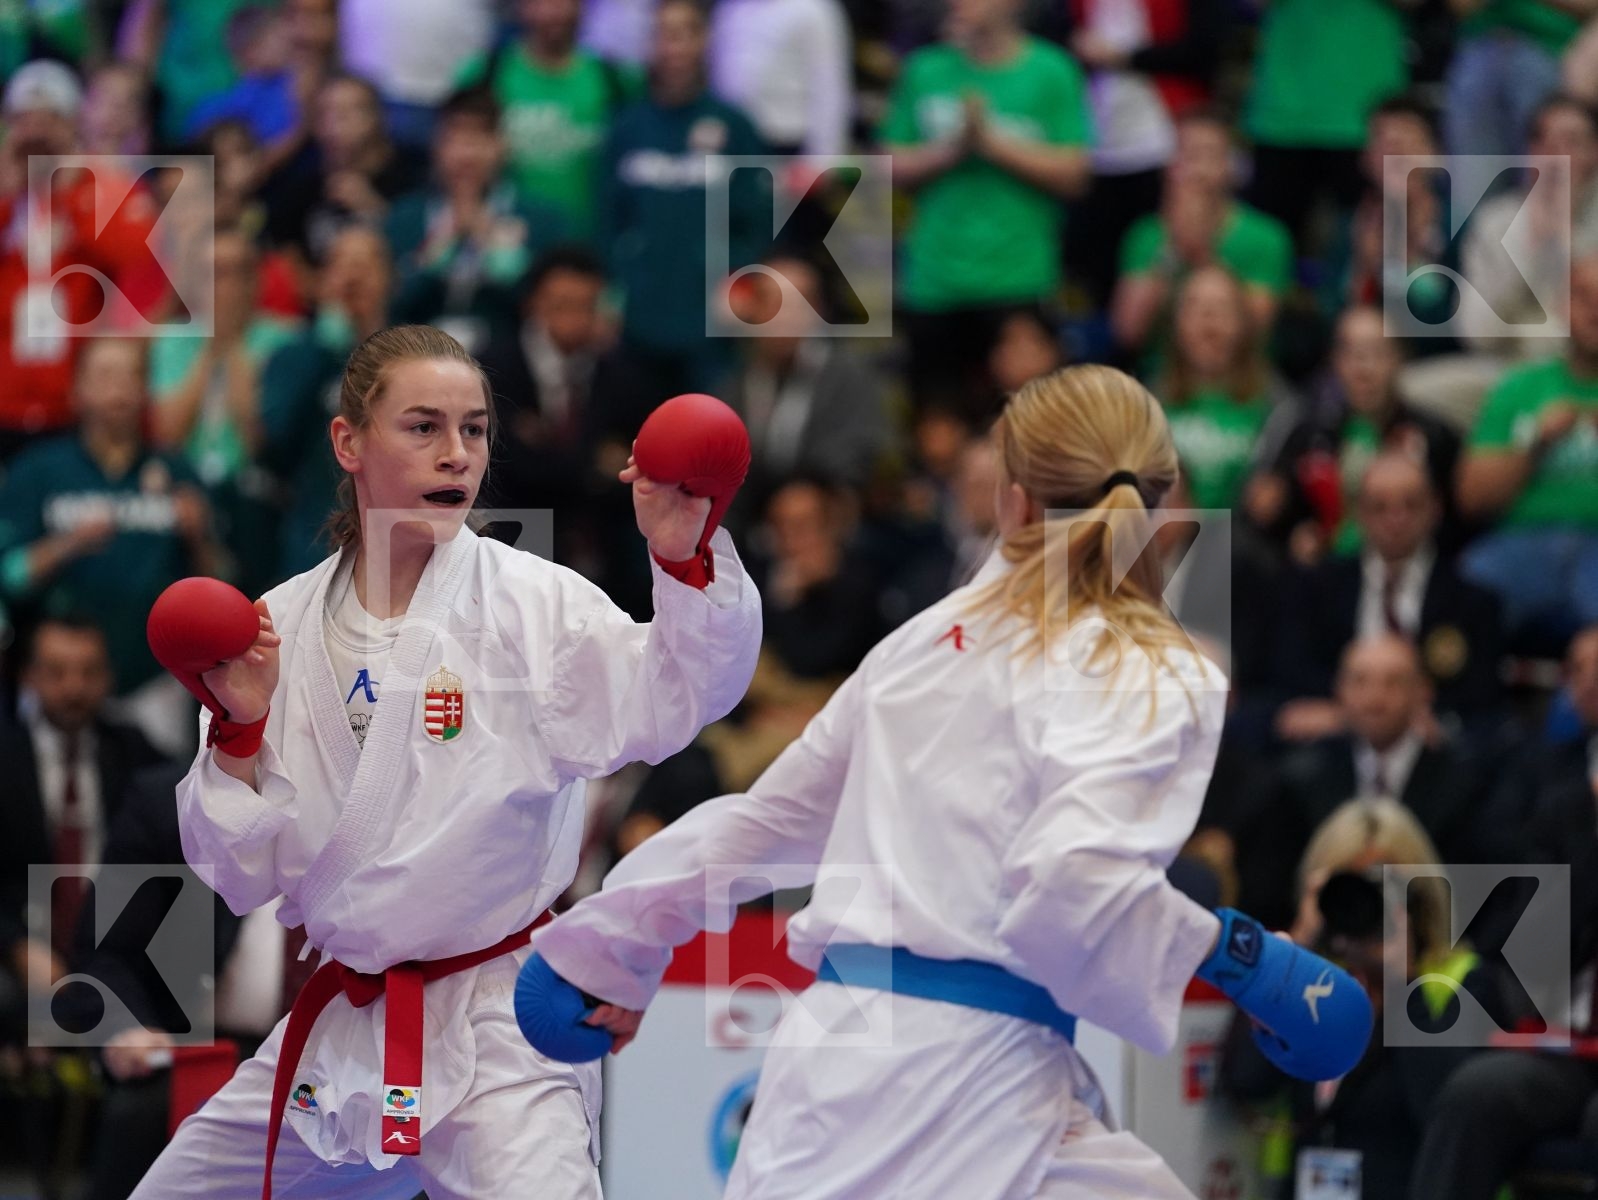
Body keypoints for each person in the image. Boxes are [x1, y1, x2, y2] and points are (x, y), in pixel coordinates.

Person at [520, 364, 1371, 1198]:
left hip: (847, 1063)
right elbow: (1074, 884)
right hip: (969, 1080)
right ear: (1165, 504)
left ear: (1011, 499)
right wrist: (1246, 961)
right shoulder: (1147, 667)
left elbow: (764, 825)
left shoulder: (920, 644)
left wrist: (613, 949)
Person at [130, 324, 762, 1199]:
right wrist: (238, 731)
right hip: (348, 1027)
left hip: (497, 1031)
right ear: (349, 443)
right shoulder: (277, 629)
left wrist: (681, 556)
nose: (457, 453)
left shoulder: (533, 605)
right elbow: (234, 877)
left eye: (474, 430)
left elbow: (680, 691)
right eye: (423, 426)